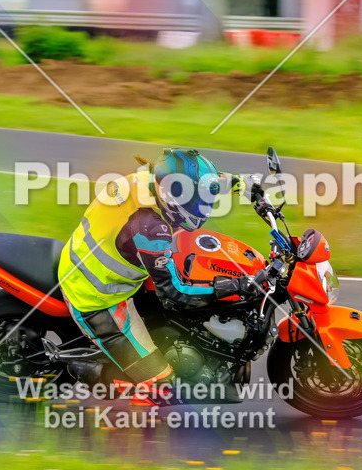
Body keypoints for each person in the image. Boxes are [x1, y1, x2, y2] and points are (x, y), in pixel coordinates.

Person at [57, 148, 263, 398]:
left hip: (99, 259)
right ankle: (94, 373)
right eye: (194, 202)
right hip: (97, 295)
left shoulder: (155, 180)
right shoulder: (150, 228)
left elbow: (202, 183)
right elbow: (174, 291)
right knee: (166, 388)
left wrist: (243, 183)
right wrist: (235, 286)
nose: (201, 206)